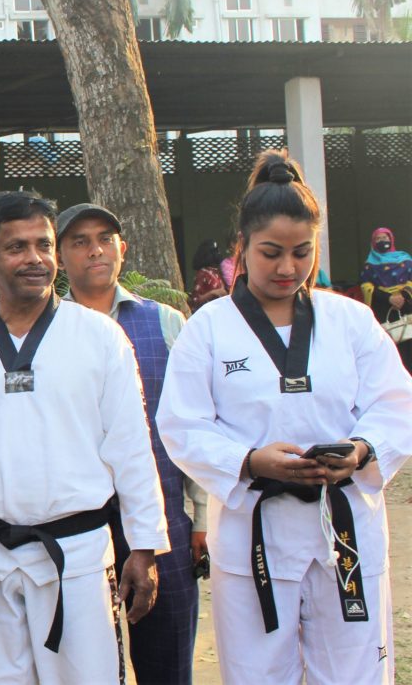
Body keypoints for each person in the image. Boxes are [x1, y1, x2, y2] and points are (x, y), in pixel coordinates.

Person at [0, 191, 169, 684]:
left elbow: (131, 448)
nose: (35, 258)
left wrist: (143, 547)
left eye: (44, 244)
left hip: (77, 554)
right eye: (16, 247)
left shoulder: (101, 338)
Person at [157, 150, 412, 684]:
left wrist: (362, 451)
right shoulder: (210, 328)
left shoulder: (350, 320)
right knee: (257, 671)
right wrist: (248, 461)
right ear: (242, 249)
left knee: (353, 671)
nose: (288, 268)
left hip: (344, 524)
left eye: (302, 252)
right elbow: (182, 424)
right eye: (271, 252)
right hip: (256, 526)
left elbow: (395, 403)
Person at [55, 202, 207, 685]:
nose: (94, 250)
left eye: (104, 238)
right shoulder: (48, 331)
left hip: (162, 522)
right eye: (79, 242)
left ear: (123, 247)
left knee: (167, 658)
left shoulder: (166, 323)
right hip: (78, 524)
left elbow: (193, 426)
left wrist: (201, 518)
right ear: (60, 257)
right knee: (90, 663)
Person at [359, 226, 412, 373]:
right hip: (383, 308)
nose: (383, 241)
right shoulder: (369, 265)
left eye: (385, 238)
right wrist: (389, 298)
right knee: (388, 348)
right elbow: (366, 286)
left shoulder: (406, 259)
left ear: (391, 239)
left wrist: (403, 296)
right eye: (378, 239)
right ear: (373, 243)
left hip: (406, 307)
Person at [189, 238, 230, 311]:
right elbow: (194, 300)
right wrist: (213, 293)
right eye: (215, 251)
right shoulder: (202, 274)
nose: (219, 253)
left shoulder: (217, 272)